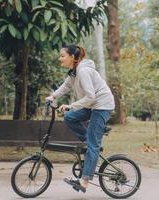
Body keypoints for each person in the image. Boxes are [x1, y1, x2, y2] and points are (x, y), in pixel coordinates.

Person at [46, 44, 115, 193]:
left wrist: (71, 105)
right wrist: (53, 96)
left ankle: (84, 181)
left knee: (92, 144)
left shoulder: (83, 71)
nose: (60, 59)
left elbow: (91, 96)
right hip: (93, 105)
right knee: (69, 117)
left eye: (62, 56)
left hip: (102, 106)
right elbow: (65, 86)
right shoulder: (74, 72)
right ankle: (92, 140)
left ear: (72, 57)